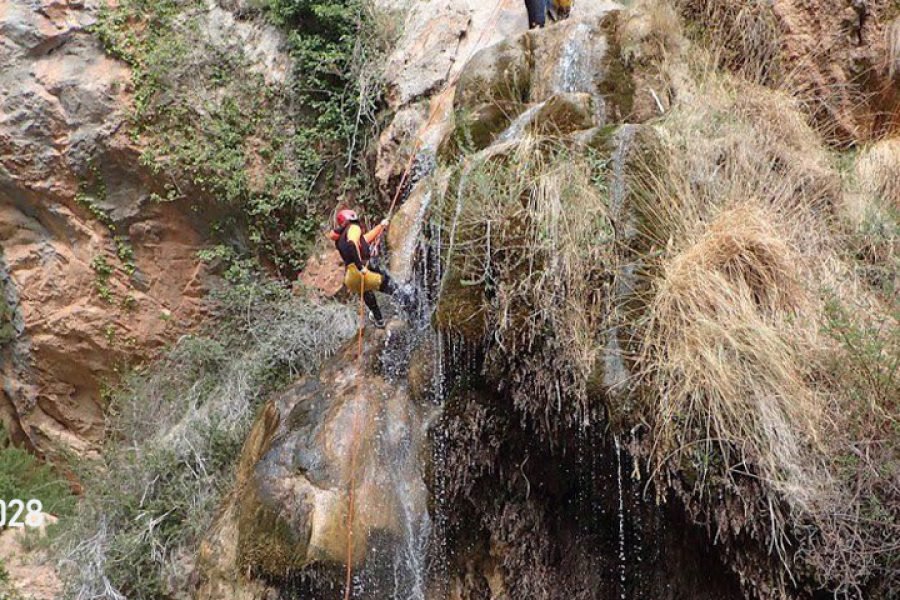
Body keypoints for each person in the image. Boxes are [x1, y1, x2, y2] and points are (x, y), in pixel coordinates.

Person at [328, 208, 400, 328]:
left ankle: (379, 320)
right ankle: (410, 306)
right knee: (392, 287)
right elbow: (352, 244)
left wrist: (380, 227)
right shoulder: (353, 228)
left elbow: (364, 241)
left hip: (350, 277)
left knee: (366, 292)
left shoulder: (340, 238)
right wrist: (360, 266)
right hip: (361, 270)